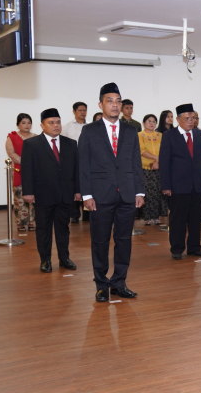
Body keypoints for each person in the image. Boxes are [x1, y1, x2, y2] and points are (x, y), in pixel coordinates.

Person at [79, 82, 145, 302]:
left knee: (124, 240)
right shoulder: (89, 131)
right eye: (110, 101)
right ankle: (101, 285)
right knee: (100, 241)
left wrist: (139, 191)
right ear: (101, 105)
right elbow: (83, 164)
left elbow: (136, 163)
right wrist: (86, 195)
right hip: (100, 196)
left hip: (127, 194)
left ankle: (119, 282)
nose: (115, 105)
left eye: (118, 101)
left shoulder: (130, 130)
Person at [21, 108, 80, 273]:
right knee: (43, 229)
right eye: (51, 123)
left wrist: (78, 190)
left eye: (58, 122)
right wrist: (28, 192)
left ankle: (64, 258)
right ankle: (45, 260)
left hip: (65, 194)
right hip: (43, 194)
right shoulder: (31, 144)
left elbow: (76, 169)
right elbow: (27, 170)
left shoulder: (70, 143)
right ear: (42, 125)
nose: (56, 125)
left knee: (63, 228)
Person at [160, 104, 201, 260]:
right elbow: (164, 162)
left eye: (193, 118)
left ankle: (194, 247)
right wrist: (166, 185)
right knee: (178, 219)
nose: (190, 121)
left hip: (197, 185)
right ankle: (177, 248)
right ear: (178, 119)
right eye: (187, 118)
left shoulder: (200, 135)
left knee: (195, 218)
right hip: (177, 185)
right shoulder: (169, 135)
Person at [5, 113, 37, 232]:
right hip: (19, 171)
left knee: (34, 197)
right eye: (23, 123)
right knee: (20, 198)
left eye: (29, 123)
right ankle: (20, 223)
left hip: (34, 172)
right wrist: (25, 163)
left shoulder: (36, 137)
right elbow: (11, 153)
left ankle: (32, 222)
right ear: (18, 124)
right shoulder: (12, 137)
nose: (26, 125)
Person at [139, 114, 167, 225]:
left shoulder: (161, 135)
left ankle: (157, 216)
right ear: (143, 123)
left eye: (154, 121)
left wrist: (158, 161)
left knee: (159, 192)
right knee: (148, 193)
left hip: (160, 167)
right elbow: (142, 150)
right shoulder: (140, 135)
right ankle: (147, 217)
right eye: (149, 121)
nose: (151, 123)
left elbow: (164, 149)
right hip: (145, 168)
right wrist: (156, 158)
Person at [62, 101, 88, 223]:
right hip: (72, 159)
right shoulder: (67, 127)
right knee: (74, 185)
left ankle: (87, 213)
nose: (82, 112)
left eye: (84, 110)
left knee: (86, 184)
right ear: (74, 112)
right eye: (80, 110)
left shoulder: (91, 126)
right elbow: (63, 145)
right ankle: (74, 214)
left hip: (87, 159)